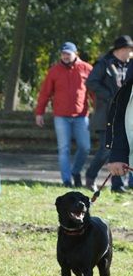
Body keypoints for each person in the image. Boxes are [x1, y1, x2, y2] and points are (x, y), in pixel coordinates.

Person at [35, 42, 93, 187]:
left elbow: (94, 92)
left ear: (75, 53)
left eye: (68, 53)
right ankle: (66, 180)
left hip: (81, 115)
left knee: (85, 147)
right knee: (63, 149)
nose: (65, 56)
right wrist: (39, 112)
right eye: (63, 54)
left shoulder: (87, 68)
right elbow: (45, 93)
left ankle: (76, 171)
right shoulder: (54, 71)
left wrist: (101, 111)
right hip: (61, 116)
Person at [84, 35, 133, 192]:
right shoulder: (104, 64)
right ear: (121, 50)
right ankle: (90, 176)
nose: (131, 53)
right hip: (106, 115)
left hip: (124, 116)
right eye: (129, 50)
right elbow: (91, 82)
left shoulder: (130, 65)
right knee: (106, 150)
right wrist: (110, 95)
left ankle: (118, 185)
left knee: (122, 148)